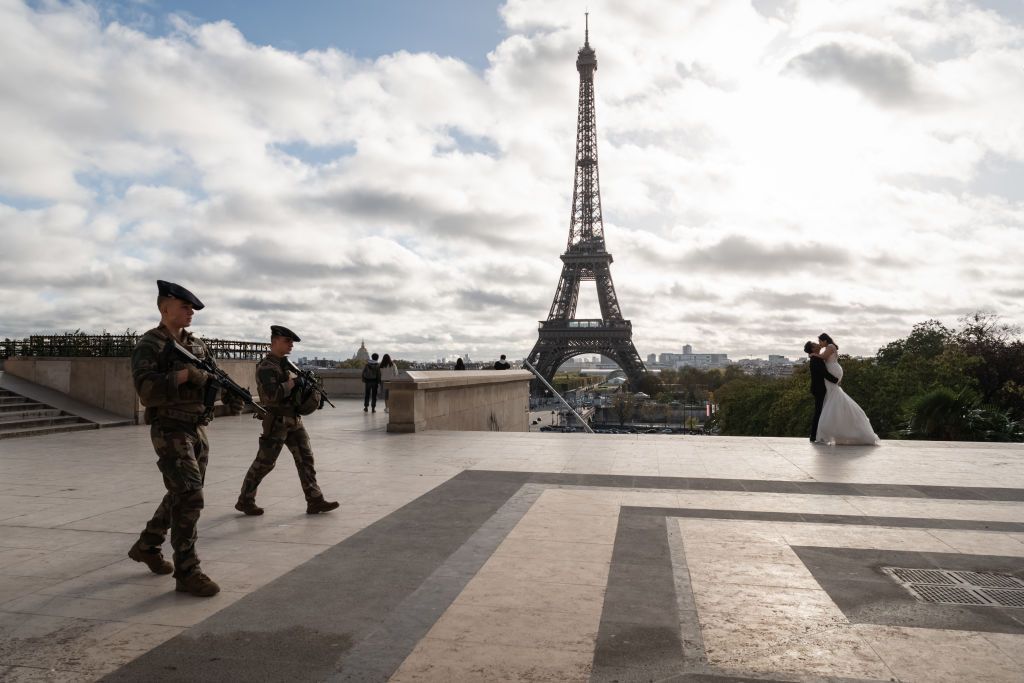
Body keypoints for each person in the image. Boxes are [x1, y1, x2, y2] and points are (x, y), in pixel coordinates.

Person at [127, 280, 232, 597]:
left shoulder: (197, 345)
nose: (190, 313)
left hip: (196, 428)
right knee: (190, 496)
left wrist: (221, 387)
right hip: (170, 430)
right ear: (165, 307)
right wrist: (185, 375)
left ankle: (148, 544)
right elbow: (146, 392)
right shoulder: (151, 345)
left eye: (192, 309)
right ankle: (188, 571)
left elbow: (214, 375)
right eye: (185, 307)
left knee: (180, 493)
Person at [235, 325, 339, 516]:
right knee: (265, 463)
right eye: (287, 341)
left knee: (306, 459)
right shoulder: (267, 367)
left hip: (293, 419)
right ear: (274, 342)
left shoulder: (287, 365)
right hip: (276, 420)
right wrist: (293, 383)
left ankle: (314, 500)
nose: (291, 345)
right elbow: (272, 395)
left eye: (292, 342)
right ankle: (245, 500)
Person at [814, 334, 881, 445]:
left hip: (833, 370)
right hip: (834, 369)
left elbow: (824, 357)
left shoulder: (830, 346)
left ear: (825, 340)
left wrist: (814, 354)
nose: (819, 344)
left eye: (820, 341)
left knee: (832, 395)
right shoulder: (830, 346)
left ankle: (829, 428)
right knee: (833, 395)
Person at [805, 340, 840, 444]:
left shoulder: (816, 358)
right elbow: (823, 373)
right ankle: (814, 435)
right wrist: (836, 380)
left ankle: (815, 435)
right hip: (819, 389)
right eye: (815, 344)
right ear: (813, 349)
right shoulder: (815, 359)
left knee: (820, 411)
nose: (817, 344)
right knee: (819, 412)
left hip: (818, 388)